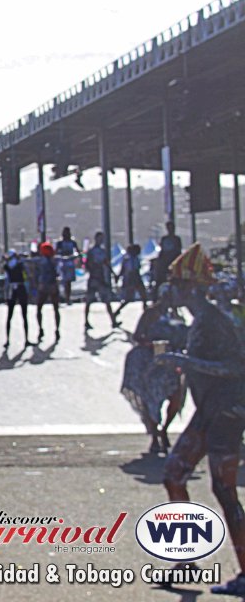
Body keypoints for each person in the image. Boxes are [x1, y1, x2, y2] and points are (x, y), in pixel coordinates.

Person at [153, 245, 245, 595]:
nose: (170, 291)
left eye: (175, 284)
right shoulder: (201, 320)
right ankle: (186, 556)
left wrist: (187, 362)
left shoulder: (215, 320)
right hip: (209, 412)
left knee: (224, 490)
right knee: (174, 475)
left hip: (226, 413)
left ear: (189, 288)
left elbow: (235, 368)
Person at [120, 296, 186, 454]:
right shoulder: (150, 314)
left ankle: (164, 429)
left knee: (176, 398)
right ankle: (155, 434)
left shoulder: (178, 315)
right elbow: (137, 336)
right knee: (148, 400)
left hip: (169, 361)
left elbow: (184, 338)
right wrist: (149, 344)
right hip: (149, 361)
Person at [83, 231, 119, 331]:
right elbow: (87, 265)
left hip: (101, 278)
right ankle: (86, 321)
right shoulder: (92, 251)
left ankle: (113, 321)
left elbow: (106, 263)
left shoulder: (102, 251)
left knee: (107, 301)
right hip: (94, 278)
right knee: (89, 300)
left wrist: (113, 273)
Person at [2, 249, 30, 348]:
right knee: (23, 315)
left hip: (13, 289)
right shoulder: (20, 264)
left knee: (11, 315)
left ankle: (8, 340)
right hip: (19, 288)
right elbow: (26, 276)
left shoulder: (8, 266)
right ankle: (26, 339)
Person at [35, 241, 61, 343]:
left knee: (39, 308)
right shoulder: (54, 260)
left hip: (44, 286)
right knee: (56, 309)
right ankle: (57, 329)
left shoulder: (41, 261)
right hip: (53, 285)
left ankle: (40, 329)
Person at [113, 243, 148, 320]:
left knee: (143, 297)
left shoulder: (134, 259)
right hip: (132, 280)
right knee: (130, 298)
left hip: (135, 279)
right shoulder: (129, 259)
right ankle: (116, 312)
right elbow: (127, 270)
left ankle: (146, 313)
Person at [153, 221, 183, 299]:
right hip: (165, 262)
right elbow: (162, 251)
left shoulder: (177, 239)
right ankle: (156, 296)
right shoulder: (164, 239)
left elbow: (178, 250)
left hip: (174, 262)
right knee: (161, 279)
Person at [55, 227, 80, 305]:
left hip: (70, 262)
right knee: (60, 280)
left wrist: (75, 256)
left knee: (68, 282)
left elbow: (78, 252)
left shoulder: (73, 242)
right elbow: (56, 252)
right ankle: (60, 297)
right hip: (62, 262)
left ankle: (67, 298)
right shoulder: (59, 242)